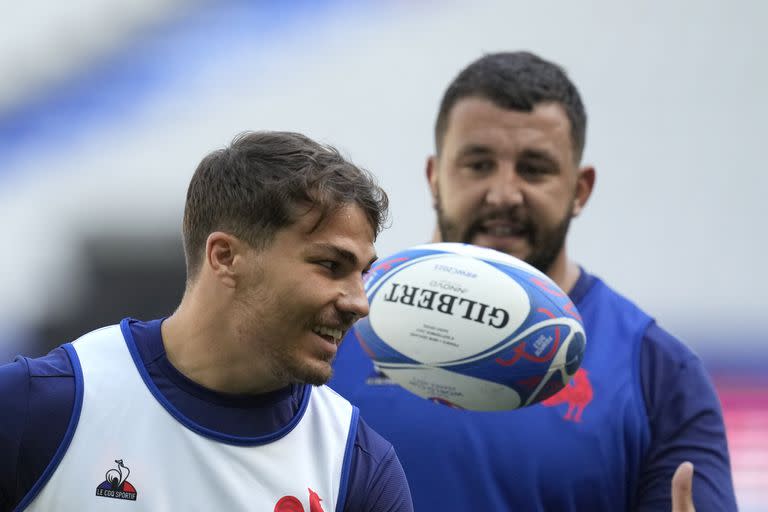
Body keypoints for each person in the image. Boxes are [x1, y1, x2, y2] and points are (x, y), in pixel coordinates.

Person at [330, 52, 737, 510]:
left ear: (580, 189)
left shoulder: (657, 372)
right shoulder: (333, 320)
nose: (505, 194)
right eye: (478, 164)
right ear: (434, 178)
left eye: (535, 168)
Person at [0, 131, 414, 512]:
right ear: (225, 257)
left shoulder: (357, 466)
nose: (359, 303)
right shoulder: (38, 408)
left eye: (362, 273)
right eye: (330, 265)